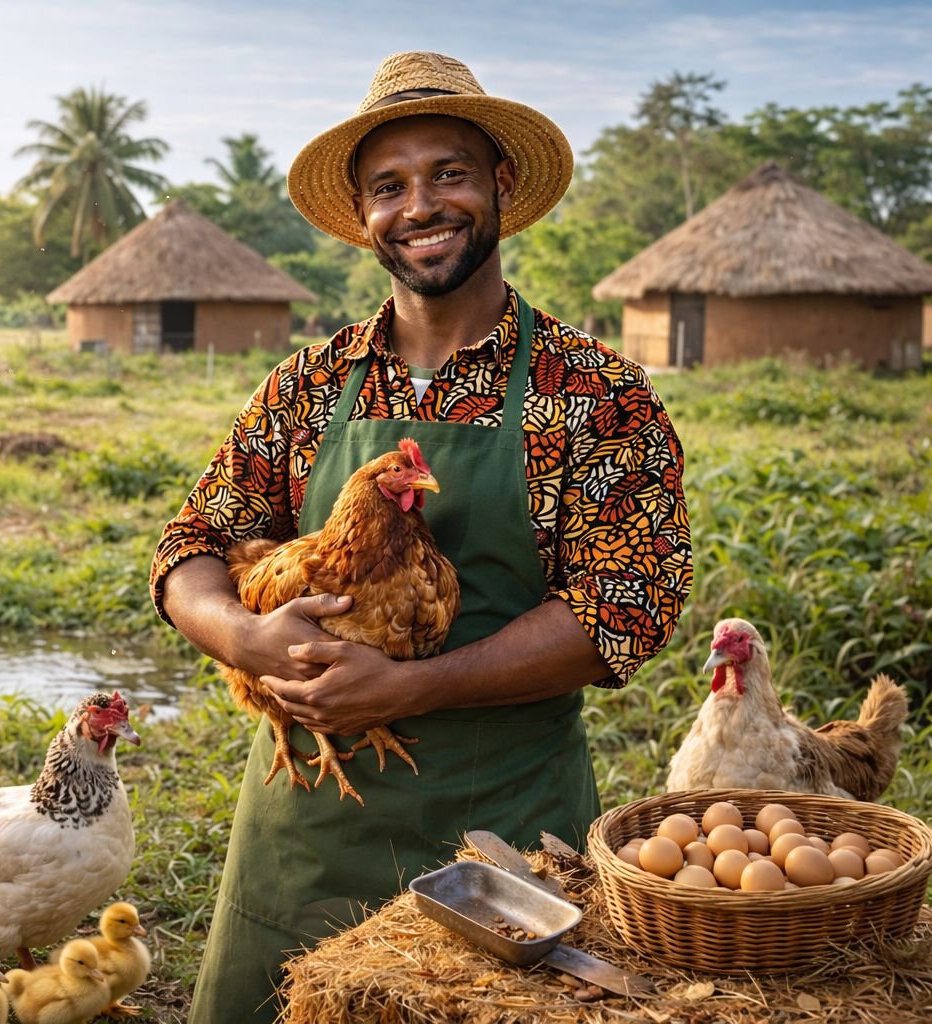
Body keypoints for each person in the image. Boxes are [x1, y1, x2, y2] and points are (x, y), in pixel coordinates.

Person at [149, 52, 692, 1023]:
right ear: (363, 216)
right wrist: (241, 636)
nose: (421, 205)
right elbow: (192, 542)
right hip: (310, 822)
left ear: (501, 186)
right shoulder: (309, 385)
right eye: (389, 186)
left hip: (505, 834)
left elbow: (626, 609)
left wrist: (416, 684)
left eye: (448, 173)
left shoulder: (595, 394)